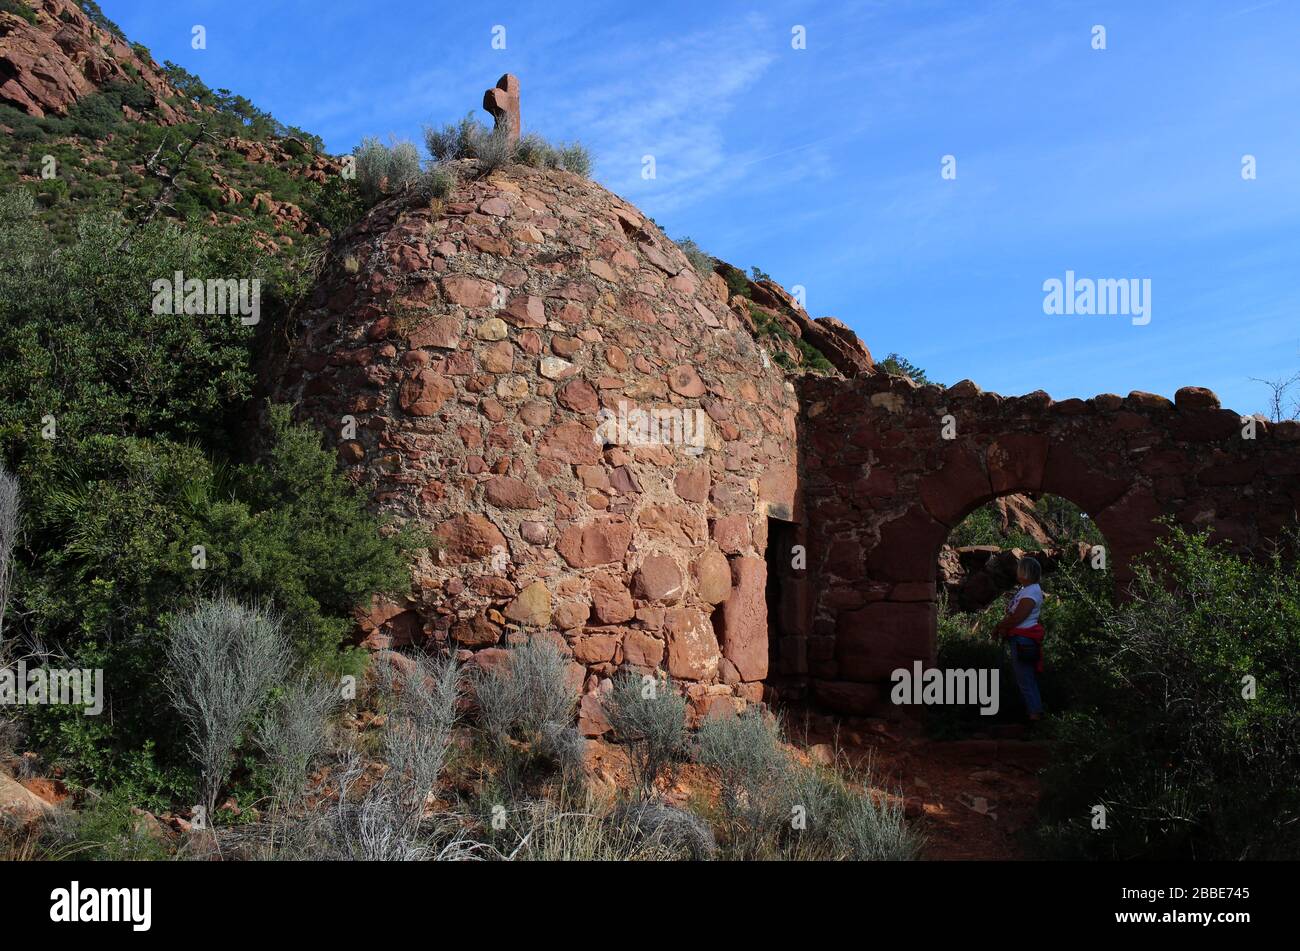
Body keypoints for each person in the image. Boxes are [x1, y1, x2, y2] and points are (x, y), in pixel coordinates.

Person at [995, 556, 1046, 721]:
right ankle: (1032, 714)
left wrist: (999, 626)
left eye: (1020, 568)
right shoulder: (1027, 589)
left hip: (1023, 640)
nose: (1017, 570)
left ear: (1026, 571)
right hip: (1019, 638)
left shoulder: (1031, 591)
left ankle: (1034, 717)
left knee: (1026, 680)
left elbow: (1018, 617)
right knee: (1025, 679)